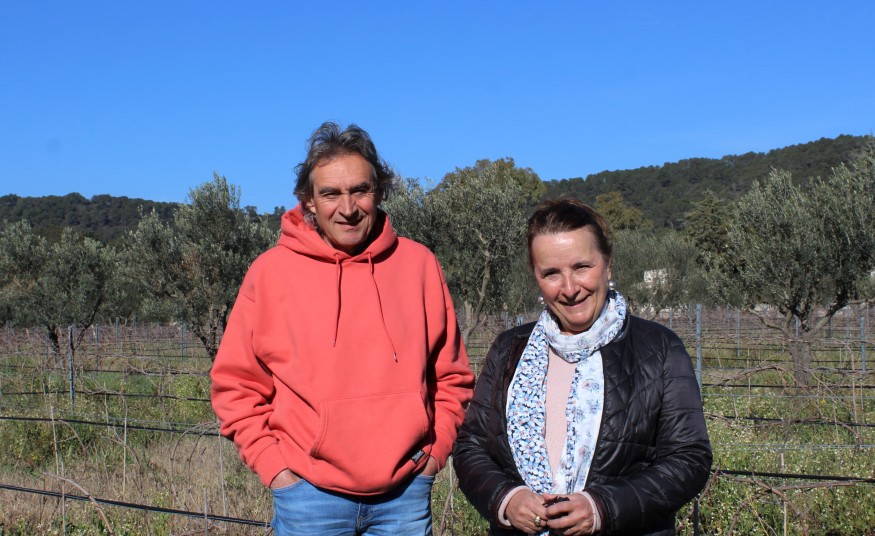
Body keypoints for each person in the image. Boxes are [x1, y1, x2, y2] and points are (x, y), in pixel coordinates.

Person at [210, 121, 474, 535]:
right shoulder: (270, 274)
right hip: (308, 498)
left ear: (379, 192)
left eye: (360, 191)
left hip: (405, 496)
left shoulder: (419, 265)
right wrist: (274, 468)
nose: (347, 208)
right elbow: (235, 385)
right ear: (308, 201)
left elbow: (452, 377)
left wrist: (435, 455)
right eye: (330, 193)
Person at [453, 198, 711, 536]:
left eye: (582, 267)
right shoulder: (508, 349)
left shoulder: (659, 348)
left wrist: (602, 508)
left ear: (608, 265)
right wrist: (506, 498)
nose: (570, 288)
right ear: (536, 277)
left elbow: (689, 458)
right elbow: (471, 447)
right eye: (552, 273)